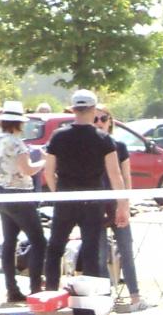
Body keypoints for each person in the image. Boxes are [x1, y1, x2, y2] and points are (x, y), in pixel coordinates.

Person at [39, 89, 129, 290]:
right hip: (92, 200)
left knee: (55, 249)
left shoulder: (58, 136)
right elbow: (115, 175)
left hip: (66, 199)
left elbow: (48, 172)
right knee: (91, 252)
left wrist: (58, 193)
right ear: (93, 109)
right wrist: (122, 204)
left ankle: (51, 295)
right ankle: (89, 303)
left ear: (73, 109)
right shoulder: (104, 139)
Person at [0, 101, 45, 304]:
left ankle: (12, 288)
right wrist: (44, 161)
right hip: (20, 193)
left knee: (9, 242)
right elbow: (27, 170)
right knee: (39, 241)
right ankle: (36, 288)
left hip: (1, 192)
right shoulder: (17, 143)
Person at [92, 107, 146, 311]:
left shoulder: (120, 146)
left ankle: (135, 296)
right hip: (96, 204)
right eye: (95, 118)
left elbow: (126, 177)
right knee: (99, 253)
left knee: (126, 249)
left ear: (110, 121)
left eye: (103, 118)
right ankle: (106, 296)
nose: (99, 122)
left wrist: (126, 204)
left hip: (117, 203)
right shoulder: (89, 146)